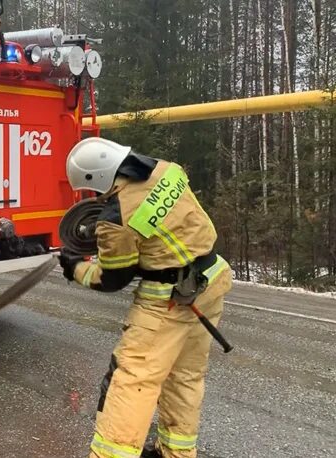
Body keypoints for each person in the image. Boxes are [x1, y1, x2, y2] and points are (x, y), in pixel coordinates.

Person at [59, 137, 232, 458]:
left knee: (132, 380)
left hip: (168, 300)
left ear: (95, 178)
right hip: (210, 280)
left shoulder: (116, 219)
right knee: (185, 377)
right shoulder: (169, 171)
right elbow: (163, 231)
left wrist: (75, 269)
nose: (94, 197)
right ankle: (176, 451)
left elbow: (113, 277)